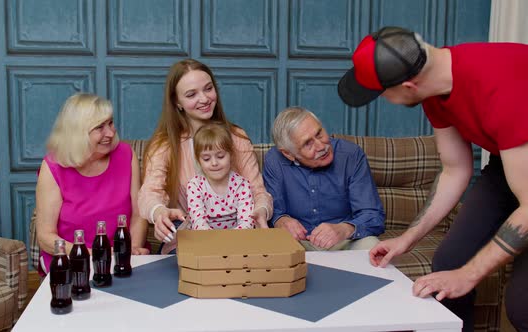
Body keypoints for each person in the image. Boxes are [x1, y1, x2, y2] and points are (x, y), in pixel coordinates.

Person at [337, 26, 528, 331]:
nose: (385, 100)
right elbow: (455, 169)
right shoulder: (434, 88)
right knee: (449, 262)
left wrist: (469, 274)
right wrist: (406, 239)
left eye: (382, 94)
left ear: (409, 85)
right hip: (511, 162)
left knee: (523, 308)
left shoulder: (500, 87)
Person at [139, 59, 272, 254]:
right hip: (189, 240)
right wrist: (159, 212)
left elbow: (258, 192)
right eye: (192, 94)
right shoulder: (165, 144)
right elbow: (149, 193)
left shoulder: (237, 138)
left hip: (237, 239)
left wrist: (261, 211)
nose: (204, 99)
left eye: (208, 89)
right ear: (177, 102)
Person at [35, 93, 149, 275]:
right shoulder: (53, 166)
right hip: (73, 258)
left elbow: (138, 214)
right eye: (100, 127)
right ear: (77, 133)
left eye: (111, 123)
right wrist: (97, 255)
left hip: (122, 257)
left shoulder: (126, 154)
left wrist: (131, 251)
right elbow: (46, 236)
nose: (111, 133)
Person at [263, 107, 385, 251]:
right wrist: (280, 220)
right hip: (297, 243)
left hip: (344, 240)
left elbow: (372, 215)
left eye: (319, 133)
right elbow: (273, 211)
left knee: (372, 246)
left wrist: (344, 229)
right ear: (289, 154)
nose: (321, 146)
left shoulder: (351, 155)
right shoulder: (274, 160)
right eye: (308, 143)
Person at [187, 123, 255, 230]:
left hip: (236, 240)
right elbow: (198, 222)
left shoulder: (241, 185)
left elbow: (247, 222)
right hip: (205, 240)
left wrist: (228, 242)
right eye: (206, 159)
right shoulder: (195, 186)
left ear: (231, 154)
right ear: (198, 160)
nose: (214, 163)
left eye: (220, 156)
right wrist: (215, 243)